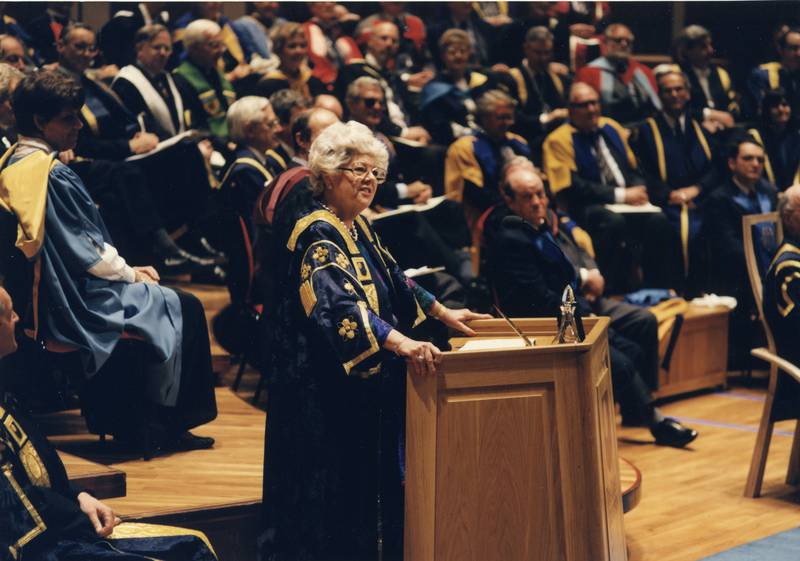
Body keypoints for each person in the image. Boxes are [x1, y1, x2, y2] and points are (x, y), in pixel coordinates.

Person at [257, 120, 489, 561]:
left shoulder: (356, 225)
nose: (369, 181)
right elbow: (338, 308)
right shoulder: (317, 231)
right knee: (329, 499)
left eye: (375, 172)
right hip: (319, 389)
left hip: (355, 382)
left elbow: (395, 277)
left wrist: (443, 312)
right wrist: (402, 343)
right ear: (329, 175)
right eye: (358, 170)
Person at [4, 69, 217, 451]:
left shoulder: (11, 162)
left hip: (49, 293)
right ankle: (168, 425)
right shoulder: (51, 175)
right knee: (184, 305)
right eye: (68, 119)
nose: (78, 127)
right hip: (76, 299)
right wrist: (133, 274)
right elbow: (87, 252)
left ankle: (151, 423)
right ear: (39, 121)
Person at [482, 162, 698, 446]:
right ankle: (656, 422)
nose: (537, 202)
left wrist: (587, 288)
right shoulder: (510, 239)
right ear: (509, 201)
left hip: (575, 305)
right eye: (527, 197)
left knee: (638, 334)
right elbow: (538, 298)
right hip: (543, 322)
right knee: (618, 358)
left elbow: (574, 259)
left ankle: (637, 410)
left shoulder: (545, 224)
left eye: (540, 194)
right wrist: (586, 313)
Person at [0, 286, 218, 561]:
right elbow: (16, 512)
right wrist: (76, 512)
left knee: (193, 544)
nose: (18, 318)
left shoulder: (5, 391)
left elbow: (38, 472)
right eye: (10, 314)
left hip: (58, 524)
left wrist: (79, 496)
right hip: (40, 546)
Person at [543, 82, 677, 293]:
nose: (591, 109)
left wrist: (639, 188)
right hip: (587, 206)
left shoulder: (610, 127)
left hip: (628, 202)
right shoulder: (557, 140)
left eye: (594, 103)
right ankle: (613, 292)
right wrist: (620, 195)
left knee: (659, 220)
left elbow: (634, 167)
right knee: (613, 223)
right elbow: (572, 186)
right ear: (570, 110)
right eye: (584, 105)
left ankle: (657, 291)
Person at [635, 68, 716, 292]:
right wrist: (668, 194)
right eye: (668, 90)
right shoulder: (646, 131)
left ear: (687, 93)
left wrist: (698, 189)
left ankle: (704, 293)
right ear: (659, 95)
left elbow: (714, 169)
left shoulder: (699, 129)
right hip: (666, 202)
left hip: (699, 199)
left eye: (679, 89)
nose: (674, 95)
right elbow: (643, 172)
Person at [704, 137, 777, 368]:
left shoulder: (770, 192)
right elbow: (727, 246)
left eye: (760, 160)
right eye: (748, 158)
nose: (756, 164)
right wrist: (764, 266)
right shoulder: (719, 199)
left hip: (768, 267)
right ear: (732, 163)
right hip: (734, 272)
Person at [444, 88, 531, 230]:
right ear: (484, 118)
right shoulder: (464, 148)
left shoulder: (518, 142)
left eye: (510, 117)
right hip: (487, 219)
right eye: (501, 117)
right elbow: (478, 195)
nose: (508, 123)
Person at [574, 23, 661, 127]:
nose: (624, 44)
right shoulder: (588, 73)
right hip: (606, 130)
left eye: (628, 41)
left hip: (643, 129)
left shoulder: (644, 72)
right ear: (605, 42)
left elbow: (656, 107)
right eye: (618, 40)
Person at [419, 29, 494, 146]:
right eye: (452, 52)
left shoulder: (480, 81)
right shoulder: (434, 88)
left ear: (469, 53)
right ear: (443, 56)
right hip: (456, 143)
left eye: (462, 51)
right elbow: (439, 126)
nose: (458, 56)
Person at [503, 25, 570, 150]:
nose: (543, 58)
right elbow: (513, 117)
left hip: (559, 139)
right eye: (538, 53)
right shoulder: (512, 78)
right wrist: (546, 119)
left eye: (547, 53)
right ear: (526, 49)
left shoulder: (557, 76)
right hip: (527, 142)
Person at [173, 19, 237, 143]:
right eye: (214, 45)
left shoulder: (215, 73)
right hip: (210, 143)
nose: (221, 50)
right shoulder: (180, 80)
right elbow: (195, 126)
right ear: (194, 48)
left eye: (221, 44)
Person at [672, 25, 738, 130]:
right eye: (703, 47)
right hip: (693, 128)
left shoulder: (721, 74)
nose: (710, 50)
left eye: (710, 45)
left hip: (723, 127)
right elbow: (677, 108)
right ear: (687, 51)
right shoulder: (677, 75)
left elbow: (733, 104)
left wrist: (720, 121)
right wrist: (708, 115)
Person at [255, 21, 326, 99]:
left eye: (303, 45)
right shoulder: (269, 84)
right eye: (292, 46)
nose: (299, 51)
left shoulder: (311, 80)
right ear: (279, 50)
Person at [748, 88, 800, 191]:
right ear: (767, 110)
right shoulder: (755, 137)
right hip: (765, 192)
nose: (781, 109)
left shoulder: (796, 137)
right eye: (775, 106)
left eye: (785, 105)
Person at [747, 26, 800, 121]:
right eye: (794, 48)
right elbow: (760, 112)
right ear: (781, 50)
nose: (799, 53)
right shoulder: (762, 75)